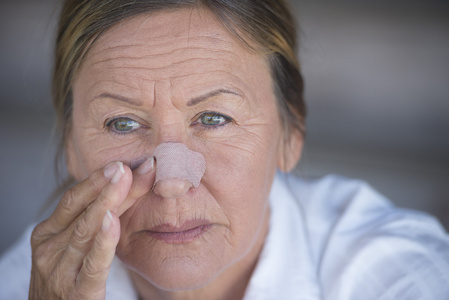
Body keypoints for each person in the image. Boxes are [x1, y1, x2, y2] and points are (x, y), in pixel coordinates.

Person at [0, 0, 448, 299]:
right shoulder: (22, 283)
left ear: (290, 135)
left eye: (214, 119)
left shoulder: (396, 275)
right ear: (71, 147)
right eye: (122, 123)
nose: (172, 183)